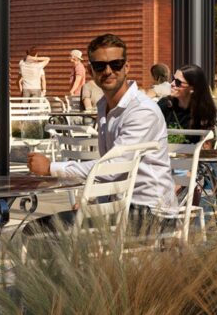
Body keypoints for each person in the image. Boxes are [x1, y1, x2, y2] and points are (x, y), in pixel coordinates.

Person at [29, 34, 177, 218]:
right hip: (120, 207)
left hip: (151, 213)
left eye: (115, 64)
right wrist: (95, 201)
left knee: (38, 230)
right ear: (91, 71)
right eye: (100, 66)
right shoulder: (102, 106)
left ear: (126, 67)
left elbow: (115, 167)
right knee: (42, 226)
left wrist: (51, 167)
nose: (108, 71)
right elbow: (112, 170)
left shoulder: (141, 111)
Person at [159, 64, 217, 131]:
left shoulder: (204, 112)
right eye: (173, 79)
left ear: (193, 88)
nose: (172, 84)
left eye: (178, 82)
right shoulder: (164, 104)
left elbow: (206, 139)